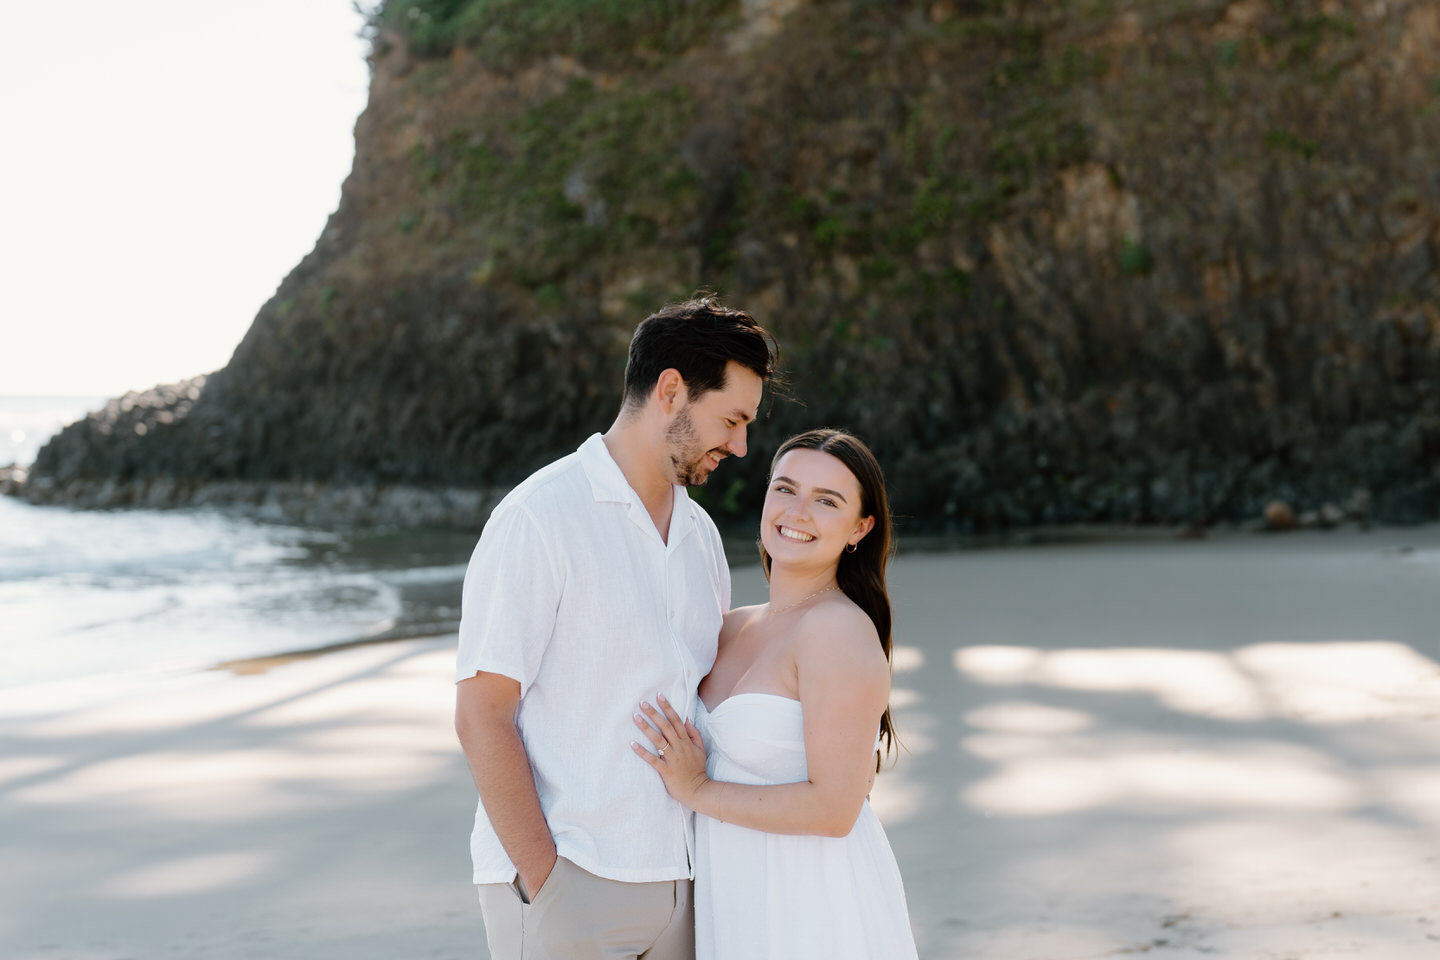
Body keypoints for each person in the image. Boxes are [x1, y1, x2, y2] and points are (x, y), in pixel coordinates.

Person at [454, 297, 778, 960]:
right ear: (671, 391)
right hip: (569, 881)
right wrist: (546, 881)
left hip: (685, 885)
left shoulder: (700, 536)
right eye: (732, 420)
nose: (741, 447)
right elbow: (482, 712)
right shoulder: (541, 518)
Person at [632, 428, 919, 959]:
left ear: (860, 527)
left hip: (811, 899)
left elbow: (837, 810)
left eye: (826, 501)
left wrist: (697, 791)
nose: (798, 511)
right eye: (785, 489)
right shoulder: (727, 628)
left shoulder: (837, 631)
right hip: (735, 894)